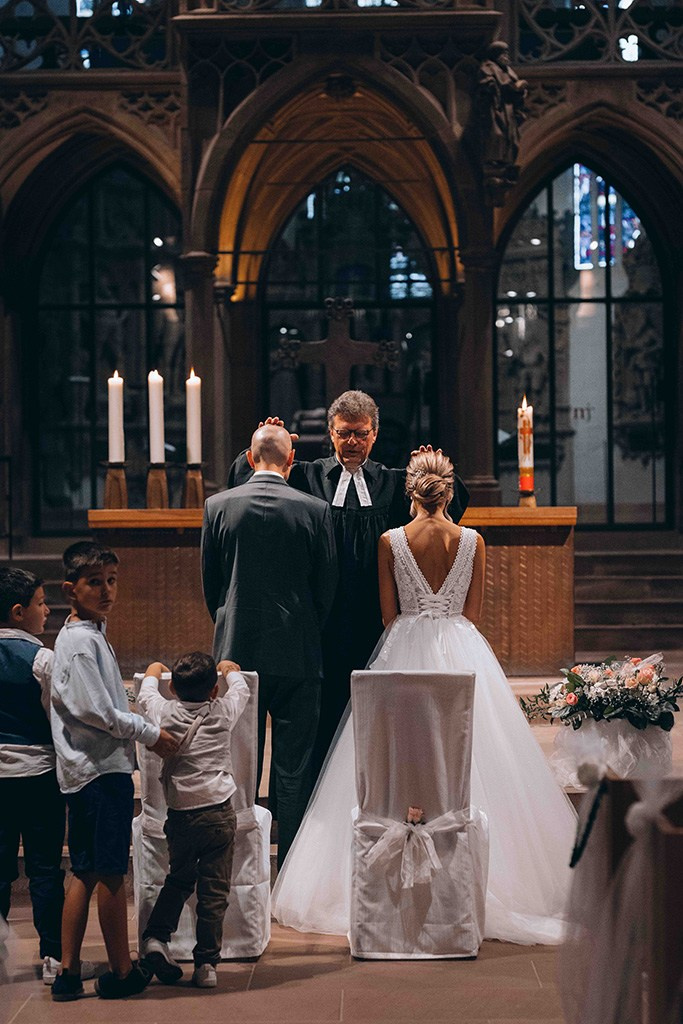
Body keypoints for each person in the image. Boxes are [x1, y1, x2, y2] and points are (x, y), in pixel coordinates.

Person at [272, 449, 578, 945]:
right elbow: (473, 612)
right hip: (462, 647)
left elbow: (388, 613)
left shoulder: (390, 540)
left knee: (397, 754)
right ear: (450, 492)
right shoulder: (473, 541)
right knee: (473, 750)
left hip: (403, 648)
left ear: (410, 493)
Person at [228, 391, 470, 771]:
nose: (352, 442)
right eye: (344, 434)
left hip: (373, 614)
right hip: (317, 616)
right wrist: (263, 444)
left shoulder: (392, 483)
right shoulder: (305, 475)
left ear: (374, 435)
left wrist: (428, 468)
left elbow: (449, 504)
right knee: (319, 716)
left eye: (360, 434)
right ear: (330, 433)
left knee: (371, 710)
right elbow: (247, 481)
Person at [202, 424, 337, 866]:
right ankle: (293, 867)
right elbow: (327, 585)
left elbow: (212, 585)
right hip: (298, 650)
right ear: (291, 461)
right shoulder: (315, 509)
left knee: (239, 767)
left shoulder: (218, 506)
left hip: (236, 653)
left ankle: (242, 865)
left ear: (249, 456)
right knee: (294, 769)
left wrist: (229, 626)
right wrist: (307, 628)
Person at [50, 541, 178, 1001]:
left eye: (111, 581)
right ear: (71, 588)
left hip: (89, 769)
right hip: (100, 770)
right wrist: (150, 732)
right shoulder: (83, 643)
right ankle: (122, 972)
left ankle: (67, 974)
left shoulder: (86, 632)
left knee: (83, 870)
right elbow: (100, 712)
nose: (106, 591)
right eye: (94, 583)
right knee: (108, 873)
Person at [0, 568, 96, 987]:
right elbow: (58, 718)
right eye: (40, 603)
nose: (47, 610)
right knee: (43, 869)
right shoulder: (43, 659)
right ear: (19, 612)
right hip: (38, 776)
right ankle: (53, 956)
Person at [137, 652, 250, 989]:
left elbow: (145, 696)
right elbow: (241, 689)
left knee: (179, 880)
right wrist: (229, 669)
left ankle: (156, 937)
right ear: (214, 691)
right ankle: (206, 966)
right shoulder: (222, 711)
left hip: (181, 816)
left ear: (173, 688)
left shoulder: (164, 711)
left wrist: (153, 669)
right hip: (218, 813)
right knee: (214, 892)